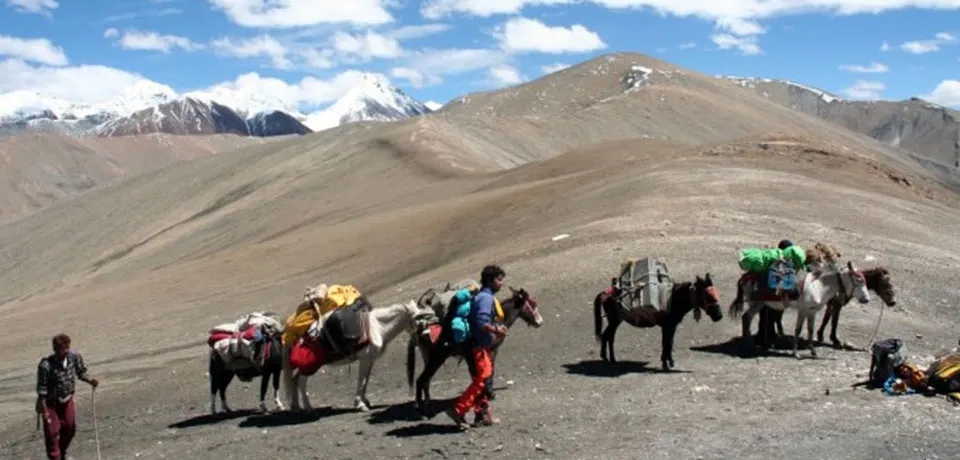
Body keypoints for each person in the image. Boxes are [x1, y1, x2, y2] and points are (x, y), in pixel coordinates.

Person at [446, 265, 507, 430]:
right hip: (477, 347)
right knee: (481, 380)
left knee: (484, 378)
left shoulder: (482, 296)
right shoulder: (486, 298)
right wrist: (496, 330)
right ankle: (457, 409)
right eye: (499, 280)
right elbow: (481, 322)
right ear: (489, 280)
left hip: (480, 347)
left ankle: (482, 415)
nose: (502, 284)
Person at [36, 333, 99, 460]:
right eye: (61, 349)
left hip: (67, 399)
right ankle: (55, 457)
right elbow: (42, 388)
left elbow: (81, 372)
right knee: (52, 432)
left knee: (70, 428)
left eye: (67, 348)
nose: (65, 351)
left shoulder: (74, 357)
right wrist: (44, 409)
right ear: (55, 349)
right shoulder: (46, 365)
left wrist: (91, 380)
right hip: (50, 404)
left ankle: (61, 452)